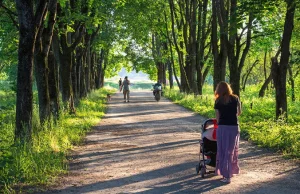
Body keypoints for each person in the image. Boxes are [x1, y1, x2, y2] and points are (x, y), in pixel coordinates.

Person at [214, 81, 242, 184]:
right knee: (232, 150)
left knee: (223, 150)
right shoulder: (235, 98)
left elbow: (217, 117)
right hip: (234, 127)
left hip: (223, 128)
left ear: (219, 90)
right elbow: (239, 112)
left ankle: (226, 176)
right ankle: (232, 171)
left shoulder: (218, 101)